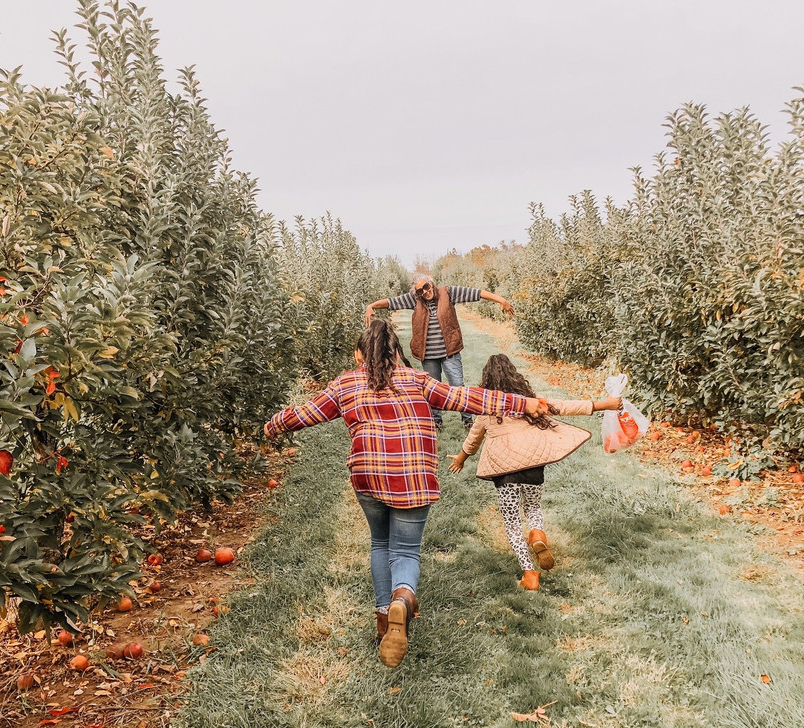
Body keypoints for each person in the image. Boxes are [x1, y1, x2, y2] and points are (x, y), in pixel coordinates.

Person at [263, 322, 548, 667]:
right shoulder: (417, 380)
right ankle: (403, 598)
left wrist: (273, 425)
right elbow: (466, 397)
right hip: (413, 476)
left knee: (380, 544)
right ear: (397, 353)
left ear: (358, 355)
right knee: (405, 550)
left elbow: (304, 415)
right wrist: (522, 403)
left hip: (368, 474)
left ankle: (385, 619)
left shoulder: (346, 383)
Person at [448, 354, 620, 591]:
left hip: (504, 470)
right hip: (532, 465)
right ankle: (538, 534)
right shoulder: (528, 402)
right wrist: (605, 405)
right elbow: (564, 406)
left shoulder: (487, 409)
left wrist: (460, 459)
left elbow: (473, 439)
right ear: (514, 376)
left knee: (511, 522)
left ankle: (530, 573)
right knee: (533, 507)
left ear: (486, 381)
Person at [364, 273, 515, 428]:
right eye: (420, 291)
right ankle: (436, 422)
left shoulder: (448, 293)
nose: (424, 292)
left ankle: (467, 420)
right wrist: (372, 305)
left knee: (458, 386)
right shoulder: (415, 299)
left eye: (426, 287)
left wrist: (501, 300)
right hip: (428, 355)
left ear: (432, 284)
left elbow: (477, 293)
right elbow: (391, 302)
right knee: (432, 389)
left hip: (450, 351)